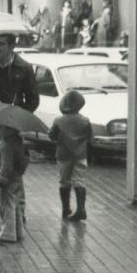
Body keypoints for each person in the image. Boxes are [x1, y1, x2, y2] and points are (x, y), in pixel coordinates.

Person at [50, 90, 92, 221]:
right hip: (80, 154)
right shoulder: (85, 120)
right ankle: (81, 209)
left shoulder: (58, 120)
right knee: (79, 181)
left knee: (64, 181)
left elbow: (52, 136)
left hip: (63, 155)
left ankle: (66, 209)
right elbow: (90, 138)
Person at [0, 124, 29, 243]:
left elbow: (6, 166)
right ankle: (18, 231)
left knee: (6, 206)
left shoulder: (6, 146)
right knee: (15, 206)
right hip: (16, 178)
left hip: (7, 180)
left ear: (8, 130)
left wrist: (0, 179)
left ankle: (8, 232)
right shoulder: (17, 142)